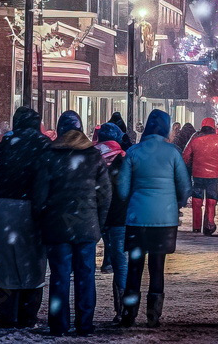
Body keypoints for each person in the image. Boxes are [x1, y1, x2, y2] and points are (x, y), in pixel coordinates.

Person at [33, 111, 111, 336]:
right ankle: (84, 324)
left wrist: (42, 220)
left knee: (59, 276)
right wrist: (99, 224)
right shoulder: (94, 156)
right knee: (85, 276)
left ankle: (59, 324)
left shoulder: (49, 156)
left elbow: (39, 196)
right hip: (86, 226)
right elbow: (105, 195)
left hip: (57, 227)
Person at [118, 109, 192, 328]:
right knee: (157, 267)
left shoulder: (133, 152)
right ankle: (153, 315)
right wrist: (175, 202)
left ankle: (129, 314)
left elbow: (122, 191)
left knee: (134, 266)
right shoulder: (173, 153)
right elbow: (185, 188)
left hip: (137, 219)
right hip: (164, 220)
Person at [0, 107, 52, 329]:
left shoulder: (6, 144)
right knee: (33, 263)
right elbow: (49, 176)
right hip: (32, 209)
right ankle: (28, 315)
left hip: (4, 209)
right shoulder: (43, 145)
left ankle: (6, 315)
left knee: (6, 265)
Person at [94, 122, 128, 323]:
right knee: (121, 262)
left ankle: (84, 312)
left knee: (85, 262)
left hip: (93, 215)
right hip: (119, 216)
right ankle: (121, 309)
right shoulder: (124, 158)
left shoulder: (90, 156)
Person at [182, 118, 218, 235]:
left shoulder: (195, 140)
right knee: (211, 199)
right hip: (213, 175)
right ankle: (209, 224)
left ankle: (196, 226)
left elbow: (185, 156)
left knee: (197, 199)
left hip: (197, 174)